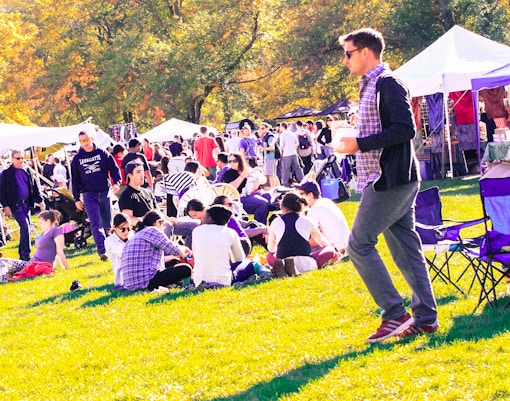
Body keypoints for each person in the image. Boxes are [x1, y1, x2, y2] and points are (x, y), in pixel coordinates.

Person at [336, 28, 438, 342]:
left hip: (390, 179)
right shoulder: (369, 85)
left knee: (358, 244)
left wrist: (360, 144)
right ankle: (426, 320)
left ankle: (395, 314)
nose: (345, 60)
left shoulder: (388, 84)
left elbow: (406, 130)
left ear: (366, 51)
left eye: (348, 53)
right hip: (385, 177)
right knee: (407, 251)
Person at [70, 130, 122, 261]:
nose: (85, 143)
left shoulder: (102, 153)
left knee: (108, 223)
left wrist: (116, 183)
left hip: (105, 192)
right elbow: (75, 180)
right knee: (95, 223)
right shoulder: (77, 159)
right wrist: (76, 199)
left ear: (92, 139)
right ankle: (102, 251)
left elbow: (115, 170)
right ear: (79, 142)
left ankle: (113, 247)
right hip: (88, 194)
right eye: (82, 141)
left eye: (87, 140)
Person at [267, 192, 337, 278]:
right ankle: (291, 265)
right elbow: (323, 243)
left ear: (283, 208)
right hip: (306, 264)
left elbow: (271, 249)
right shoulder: (307, 221)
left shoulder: (275, 222)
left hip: (283, 261)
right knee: (329, 249)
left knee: (269, 255)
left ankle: (283, 265)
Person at [120, 209, 192, 291]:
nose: (164, 228)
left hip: (131, 284)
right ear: (157, 222)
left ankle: (175, 283)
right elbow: (174, 249)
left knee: (173, 262)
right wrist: (185, 249)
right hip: (147, 281)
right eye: (163, 224)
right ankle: (185, 284)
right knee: (186, 268)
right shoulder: (153, 230)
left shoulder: (136, 236)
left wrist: (173, 257)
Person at [0, 149, 45, 260]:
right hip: (15, 205)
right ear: (12, 159)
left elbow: (34, 187)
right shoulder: (6, 174)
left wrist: (41, 200)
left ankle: (24, 253)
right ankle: (25, 254)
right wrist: (5, 206)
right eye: (18, 158)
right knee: (24, 226)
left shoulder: (27, 170)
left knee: (27, 227)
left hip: (26, 204)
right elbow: (1, 191)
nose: (21, 160)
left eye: (22, 158)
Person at [0, 210, 69, 278]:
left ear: (48, 221)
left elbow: (59, 251)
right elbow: (55, 253)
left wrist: (66, 267)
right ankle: (4, 276)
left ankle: (3, 279)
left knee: (2, 261)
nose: (40, 225)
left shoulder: (55, 231)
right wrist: (59, 266)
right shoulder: (45, 233)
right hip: (31, 263)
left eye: (41, 223)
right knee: (5, 264)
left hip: (36, 265)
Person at [191, 205, 247, 287]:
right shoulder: (231, 232)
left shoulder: (196, 230)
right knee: (250, 264)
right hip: (224, 279)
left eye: (205, 215)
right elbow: (239, 258)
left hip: (198, 279)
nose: (203, 218)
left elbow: (195, 255)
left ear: (210, 218)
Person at [296, 181, 350, 255]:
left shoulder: (314, 209)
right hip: (346, 244)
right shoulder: (326, 201)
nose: (299, 198)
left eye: (301, 194)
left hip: (335, 249)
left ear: (311, 195)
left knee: (297, 250)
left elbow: (314, 242)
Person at [221, 152, 272, 225]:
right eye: (230, 161)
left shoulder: (247, 169)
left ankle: (273, 222)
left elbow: (262, 178)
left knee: (271, 198)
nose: (232, 163)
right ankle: (258, 227)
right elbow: (231, 188)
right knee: (263, 203)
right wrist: (242, 176)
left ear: (240, 161)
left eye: (234, 161)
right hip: (239, 198)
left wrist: (258, 181)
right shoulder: (228, 173)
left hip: (254, 193)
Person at [105, 213, 133, 289]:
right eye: (122, 229)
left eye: (128, 229)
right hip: (123, 280)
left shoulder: (132, 236)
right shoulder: (109, 241)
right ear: (114, 227)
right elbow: (125, 255)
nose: (126, 232)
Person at [279, 122, 304, 187]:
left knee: (286, 169)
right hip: (294, 153)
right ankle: (303, 181)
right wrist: (293, 148)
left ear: (282, 127)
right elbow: (297, 143)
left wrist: (283, 150)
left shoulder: (282, 135)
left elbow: (281, 146)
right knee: (297, 168)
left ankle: (285, 184)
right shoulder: (293, 133)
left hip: (286, 154)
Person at [258, 122, 278, 188]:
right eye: (260, 128)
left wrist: (263, 148)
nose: (261, 129)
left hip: (270, 157)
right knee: (273, 175)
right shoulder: (265, 137)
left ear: (267, 128)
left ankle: (273, 189)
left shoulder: (269, 136)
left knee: (270, 175)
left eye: (263, 128)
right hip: (268, 157)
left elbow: (272, 147)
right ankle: (277, 187)